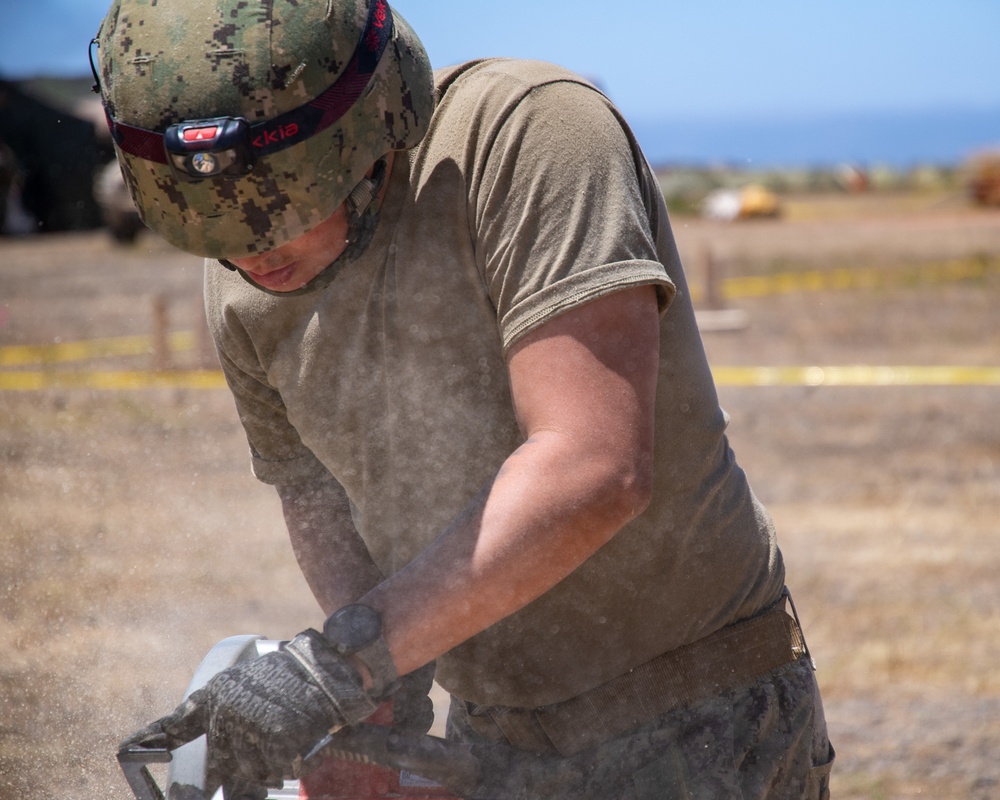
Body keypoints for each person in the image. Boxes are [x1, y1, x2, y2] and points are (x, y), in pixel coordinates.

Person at [95, 0, 834, 797]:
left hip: (693, 708)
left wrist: (342, 664)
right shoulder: (238, 273)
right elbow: (317, 492)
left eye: (286, 205)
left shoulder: (528, 136)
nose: (251, 246)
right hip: (491, 731)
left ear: (374, 122)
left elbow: (594, 463)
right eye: (216, 225)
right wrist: (371, 704)